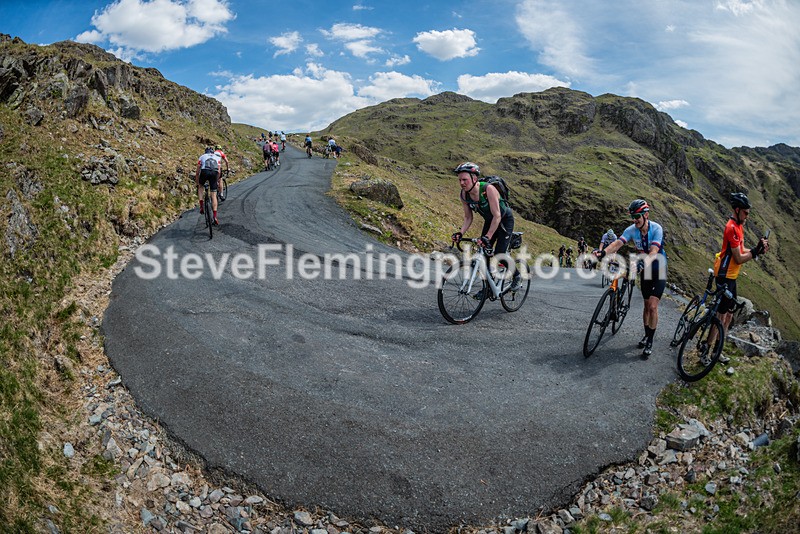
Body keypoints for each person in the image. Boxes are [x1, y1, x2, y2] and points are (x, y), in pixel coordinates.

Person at [595, 199, 667, 359]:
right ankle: (646, 333)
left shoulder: (656, 229)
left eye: (638, 217)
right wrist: (603, 253)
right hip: (644, 268)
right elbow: (617, 244)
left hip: (658, 268)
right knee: (646, 306)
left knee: (653, 307)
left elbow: (654, 252)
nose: (635, 221)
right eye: (633, 217)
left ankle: (650, 340)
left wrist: (642, 264)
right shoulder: (632, 229)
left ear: (646, 215)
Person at [706, 192, 769, 352]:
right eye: (745, 213)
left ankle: (716, 351)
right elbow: (739, 258)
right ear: (737, 210)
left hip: (731, 276)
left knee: (728, 316)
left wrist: (757, 249)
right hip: (725, 276)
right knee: (720, 316)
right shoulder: (732, 228)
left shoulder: (739, 227)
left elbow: (740, 250)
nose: (747, 216)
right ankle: (706, 350)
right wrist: (755, 252)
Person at [451, 162, 520, 289]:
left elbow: (497, 215)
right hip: (490, 221)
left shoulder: (488, 189)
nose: (462, 183)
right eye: (460, 180)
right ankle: (488, 289)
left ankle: (517, 276)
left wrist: (487, 236)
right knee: (484, 256)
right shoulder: (464, 194)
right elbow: (468, 217)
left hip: (504, 220)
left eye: (465, 180)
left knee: (499, 254)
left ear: (474, 178)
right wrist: (460, 233)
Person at [196, 147, 221, 225]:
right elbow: (219, 171)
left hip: (204, 172)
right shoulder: (216, 157)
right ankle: (214, 216)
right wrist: (217, 181)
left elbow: (197, 171)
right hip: (214, 173)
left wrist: (197, 182)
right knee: (213, 194)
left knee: (200, 187)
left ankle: (201, 206)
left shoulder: (202, 156)